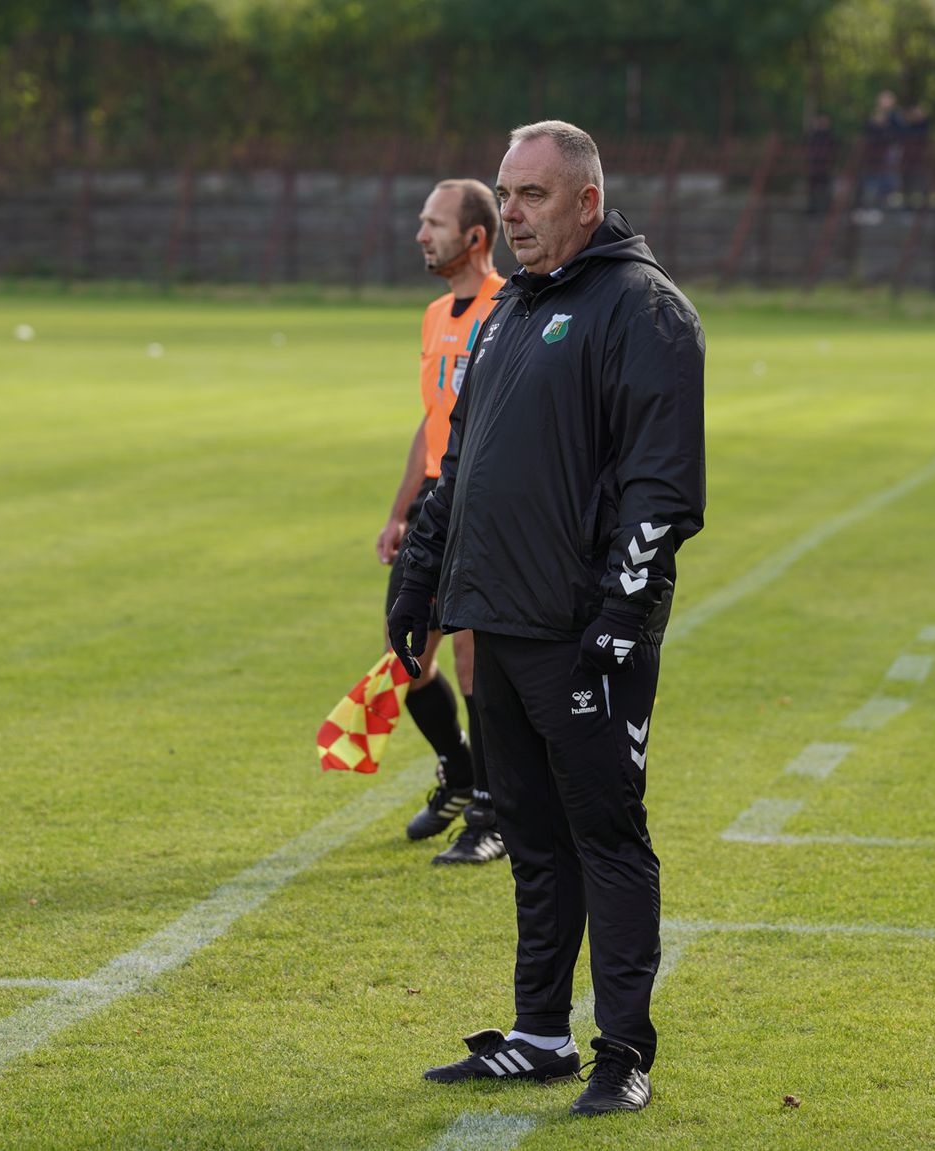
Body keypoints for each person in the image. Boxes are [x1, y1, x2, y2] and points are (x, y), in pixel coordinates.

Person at [388, 121, 704, 1116]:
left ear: (586, 203)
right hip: (499, 618)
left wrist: (626, 609)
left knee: (606, 832)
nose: (512, 213)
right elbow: (461, 463)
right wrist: (422, 578)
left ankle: (625, 1051)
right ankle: (537, 1034)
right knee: (529, 831)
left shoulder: (644, 309)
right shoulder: (510, 309)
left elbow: (663, 485)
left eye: (530, 194)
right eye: (505, 191)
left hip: (583, 632)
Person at [380, 179, 508, 866]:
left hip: (482, 499)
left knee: (472, 655)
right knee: (407, 652)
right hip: (434, 500)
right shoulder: (434, 315)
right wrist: (399, 511)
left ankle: (492, 811)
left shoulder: (510, 306)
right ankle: (458, 772)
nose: (421, 234)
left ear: (475, 237)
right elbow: (431, 424)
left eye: (433, 223)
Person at [805, 113, 837, 215]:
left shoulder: (830, 135)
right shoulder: (814, 135)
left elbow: (834, 149)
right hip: (815, 166)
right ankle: (813, 208)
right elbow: (808, 144)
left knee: (826, 189)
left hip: (825, 166)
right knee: (813, 189)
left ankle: (828, 208)